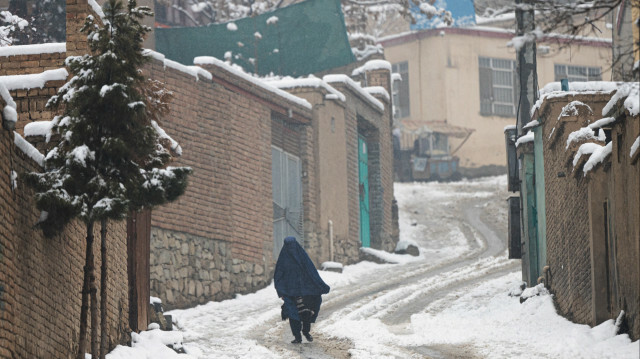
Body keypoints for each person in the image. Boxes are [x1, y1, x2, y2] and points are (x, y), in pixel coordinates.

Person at [274, 236, 330, 344]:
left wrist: (318, 285)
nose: (291, 248)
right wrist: (281, 291)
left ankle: (306, 332)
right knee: (293, 314)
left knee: (306, 313)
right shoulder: (284, 259)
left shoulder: (301, 257)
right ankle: (297, 336)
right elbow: (278, 276)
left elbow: (311, 271)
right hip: (290, 292)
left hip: (305, 291)